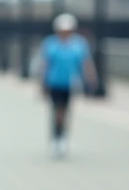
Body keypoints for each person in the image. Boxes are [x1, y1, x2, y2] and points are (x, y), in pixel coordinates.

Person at [34, 13, 98, 157]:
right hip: (53, 83)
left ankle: (63, 137)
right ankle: (57, 137)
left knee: (66, 111)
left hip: (69, 84)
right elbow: (45, 65)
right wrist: (42, 83)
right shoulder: (51, 43)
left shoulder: (79, 44)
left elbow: (85, 63)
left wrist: (91, 78)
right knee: (57, 111)